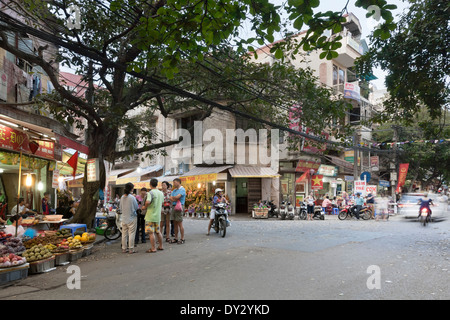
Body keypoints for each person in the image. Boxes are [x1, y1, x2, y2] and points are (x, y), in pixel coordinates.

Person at [145, 178, 164, 253]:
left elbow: (148, 202)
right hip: (158, 216)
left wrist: (144, 207)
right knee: (158, 232)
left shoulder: (150, 193)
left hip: (150, 216)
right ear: (157, 184)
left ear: (150, 184)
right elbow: (162, 203)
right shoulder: (161, 193)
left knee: (151, 233)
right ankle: (161, 246)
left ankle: (153, 248)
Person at [120, 182, 139, 254]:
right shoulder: (132, 197)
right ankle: (131, 249)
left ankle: (124, 249)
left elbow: (120, 208)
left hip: (124, 218)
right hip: (132, 218)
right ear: (131, 189)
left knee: (124, 234)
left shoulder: (122, 197)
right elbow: (136, 207)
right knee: (131, 233)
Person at [169, 178, 186, 244]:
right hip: (173, 207)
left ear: (179, 182)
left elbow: (176, 197)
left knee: (180, 223)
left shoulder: (182, 189)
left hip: (179, 207)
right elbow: (171, 198)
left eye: (175, 182)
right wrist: (174, 198)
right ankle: (176, 238)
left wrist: (174, 198)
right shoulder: (174, 190)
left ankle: (182, 238)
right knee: (175, 223)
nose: (174, 184)